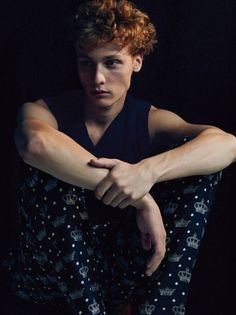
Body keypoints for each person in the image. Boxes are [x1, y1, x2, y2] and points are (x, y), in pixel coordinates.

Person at [3, 0, 236, 314]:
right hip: (49, 273)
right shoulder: (44, 111)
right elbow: (35, 144)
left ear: (137, 61)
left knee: (200, 168)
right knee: (49, 171)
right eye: (87, 63)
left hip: (122, 269)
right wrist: (142, 200)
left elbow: (227, 145)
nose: (97, 77)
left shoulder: (150, 120)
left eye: (111, 63)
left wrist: (147, 172)